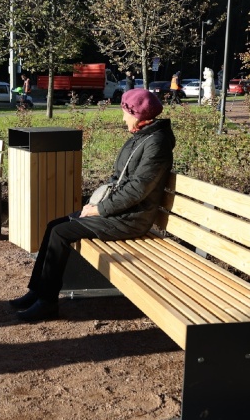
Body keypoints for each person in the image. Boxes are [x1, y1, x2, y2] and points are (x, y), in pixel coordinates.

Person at [10, 88, 175, 322]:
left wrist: (99, 209)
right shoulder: (143, 136)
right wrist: (96, 203)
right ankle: (38, 291)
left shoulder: (156, 143)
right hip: (119, 211)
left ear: (138, 115)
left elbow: (137, 190)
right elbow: (119, 180)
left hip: (130, 220)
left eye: (126, 113)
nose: (123, 118)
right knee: (54, 225)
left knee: (60, 232)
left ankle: (47, 303)